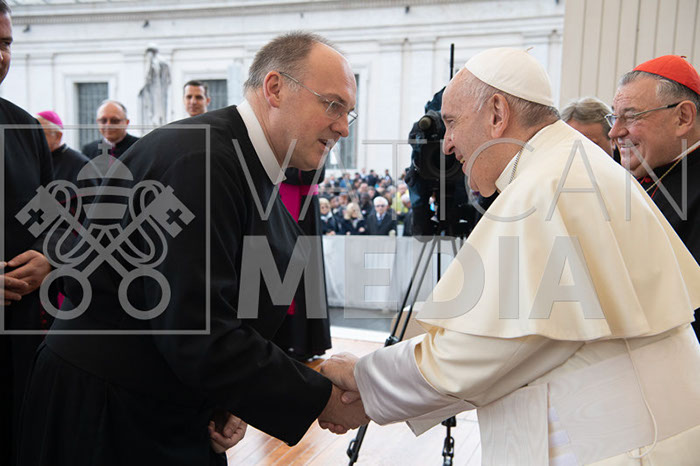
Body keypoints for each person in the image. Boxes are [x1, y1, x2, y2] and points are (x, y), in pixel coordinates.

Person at [320, 48, 700, 465]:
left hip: (620, 445)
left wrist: (362, 378)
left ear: (498, 114)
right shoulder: (564, 165)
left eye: (452, 122)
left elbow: (479, 355)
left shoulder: (546, 187)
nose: (447, 144)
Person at [18, 32, 367, 466]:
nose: (343, 127)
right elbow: (196, 329)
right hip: (107, 414)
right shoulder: (201, 160)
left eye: (349, 112)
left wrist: (228, 399)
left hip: (164, 404)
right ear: (275, 88)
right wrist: (320, 398)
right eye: (332, 105)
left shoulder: (246, 161)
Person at [0, 3, 54, 465]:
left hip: (17, 332)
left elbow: (51, 221)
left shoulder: (25, 129)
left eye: (6, 43)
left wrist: (48, 258)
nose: (1, 55)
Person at [273, 166, 333, 362]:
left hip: (302, 206)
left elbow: (315, 174)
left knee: (305, 277)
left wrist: (280, 168)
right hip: (278, 199)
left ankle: (302, 342)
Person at [36, 110, 91, 185]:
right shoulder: (34, 160)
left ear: (58, 136)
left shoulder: (82, 166)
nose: (34, 139)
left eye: (40, 134)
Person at [139, 44, 171, 128]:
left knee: (158, 110)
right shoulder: (160, 63)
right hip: (154, 92)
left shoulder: (158, 63)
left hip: (158, 92)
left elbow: (148, 76)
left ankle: (158, 121)